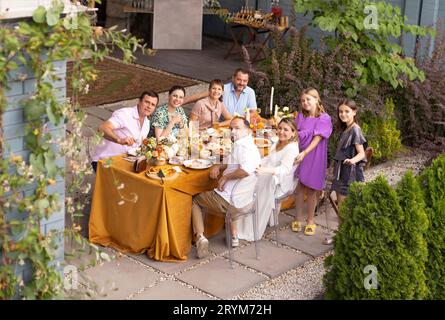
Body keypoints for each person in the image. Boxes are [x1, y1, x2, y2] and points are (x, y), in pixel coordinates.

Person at [191, 117, 261, 259]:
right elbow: (232, 161)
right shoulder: (249, 144)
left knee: (194, 199)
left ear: (247, 129)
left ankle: (200, 237)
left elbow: (245, 171)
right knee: (230, 194)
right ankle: (234, 236)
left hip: (231, 203)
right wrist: (219, 166)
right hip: (246, 201)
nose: (233, 131)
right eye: (231, 128)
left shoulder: (242, 146)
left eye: (237, 128)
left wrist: (226, 177)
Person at [236, 117, 300, 241]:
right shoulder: (278, 142)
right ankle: (241, 217)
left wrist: (265, 171)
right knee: (249, 177)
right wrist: (258, 164)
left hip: (281, 181)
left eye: (286, 130)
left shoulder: (291, 148)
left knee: (254, 183)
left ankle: (251, 226)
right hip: (271, 173)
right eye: (279, 128)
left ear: (293, 133)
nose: (281, 132)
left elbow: (284, 170)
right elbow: (269, 158)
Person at [323, 99, 366, 244]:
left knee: (344, 207)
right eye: (341, 111)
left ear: (354, 112)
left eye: (347, 111)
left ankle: (344, 237)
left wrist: (352, 160)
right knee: (342, 206)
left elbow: (362, 153)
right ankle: (342, 235)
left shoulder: (355, 129)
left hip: (349, 173)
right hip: (341, 171)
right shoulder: (346, 129)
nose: (343, 114)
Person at [293, 88, 333, 236]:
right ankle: (298, 218)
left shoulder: (324, 118)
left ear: (317, 99)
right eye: (303, 100)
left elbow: (317, 139)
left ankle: (310, 220)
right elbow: (295, 134)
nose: (305, 103)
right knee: (300, 188)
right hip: (300, 154)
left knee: (311, 189)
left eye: (308, 99)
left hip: (314, 155)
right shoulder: (300, 116)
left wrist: (305, 153)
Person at [91, 90, 159, 172]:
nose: (149, 106)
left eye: (153, 105)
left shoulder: (147, 123)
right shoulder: (125, 114)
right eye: (147, 102)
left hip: (126, 162)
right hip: (105, 161)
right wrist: (119, 140)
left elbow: (138, 146)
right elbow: (102, 128)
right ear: (139, 101)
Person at [183, 68, 257, 118]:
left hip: (240, 125)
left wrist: (243, 119)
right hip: (221, 125)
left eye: (245, 81)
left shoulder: (250, 92)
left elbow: (253, 112)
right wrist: (180, 102)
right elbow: (200, 96)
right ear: (233, 78)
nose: (241, 83)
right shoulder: (223, 89)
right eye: (239, 80)